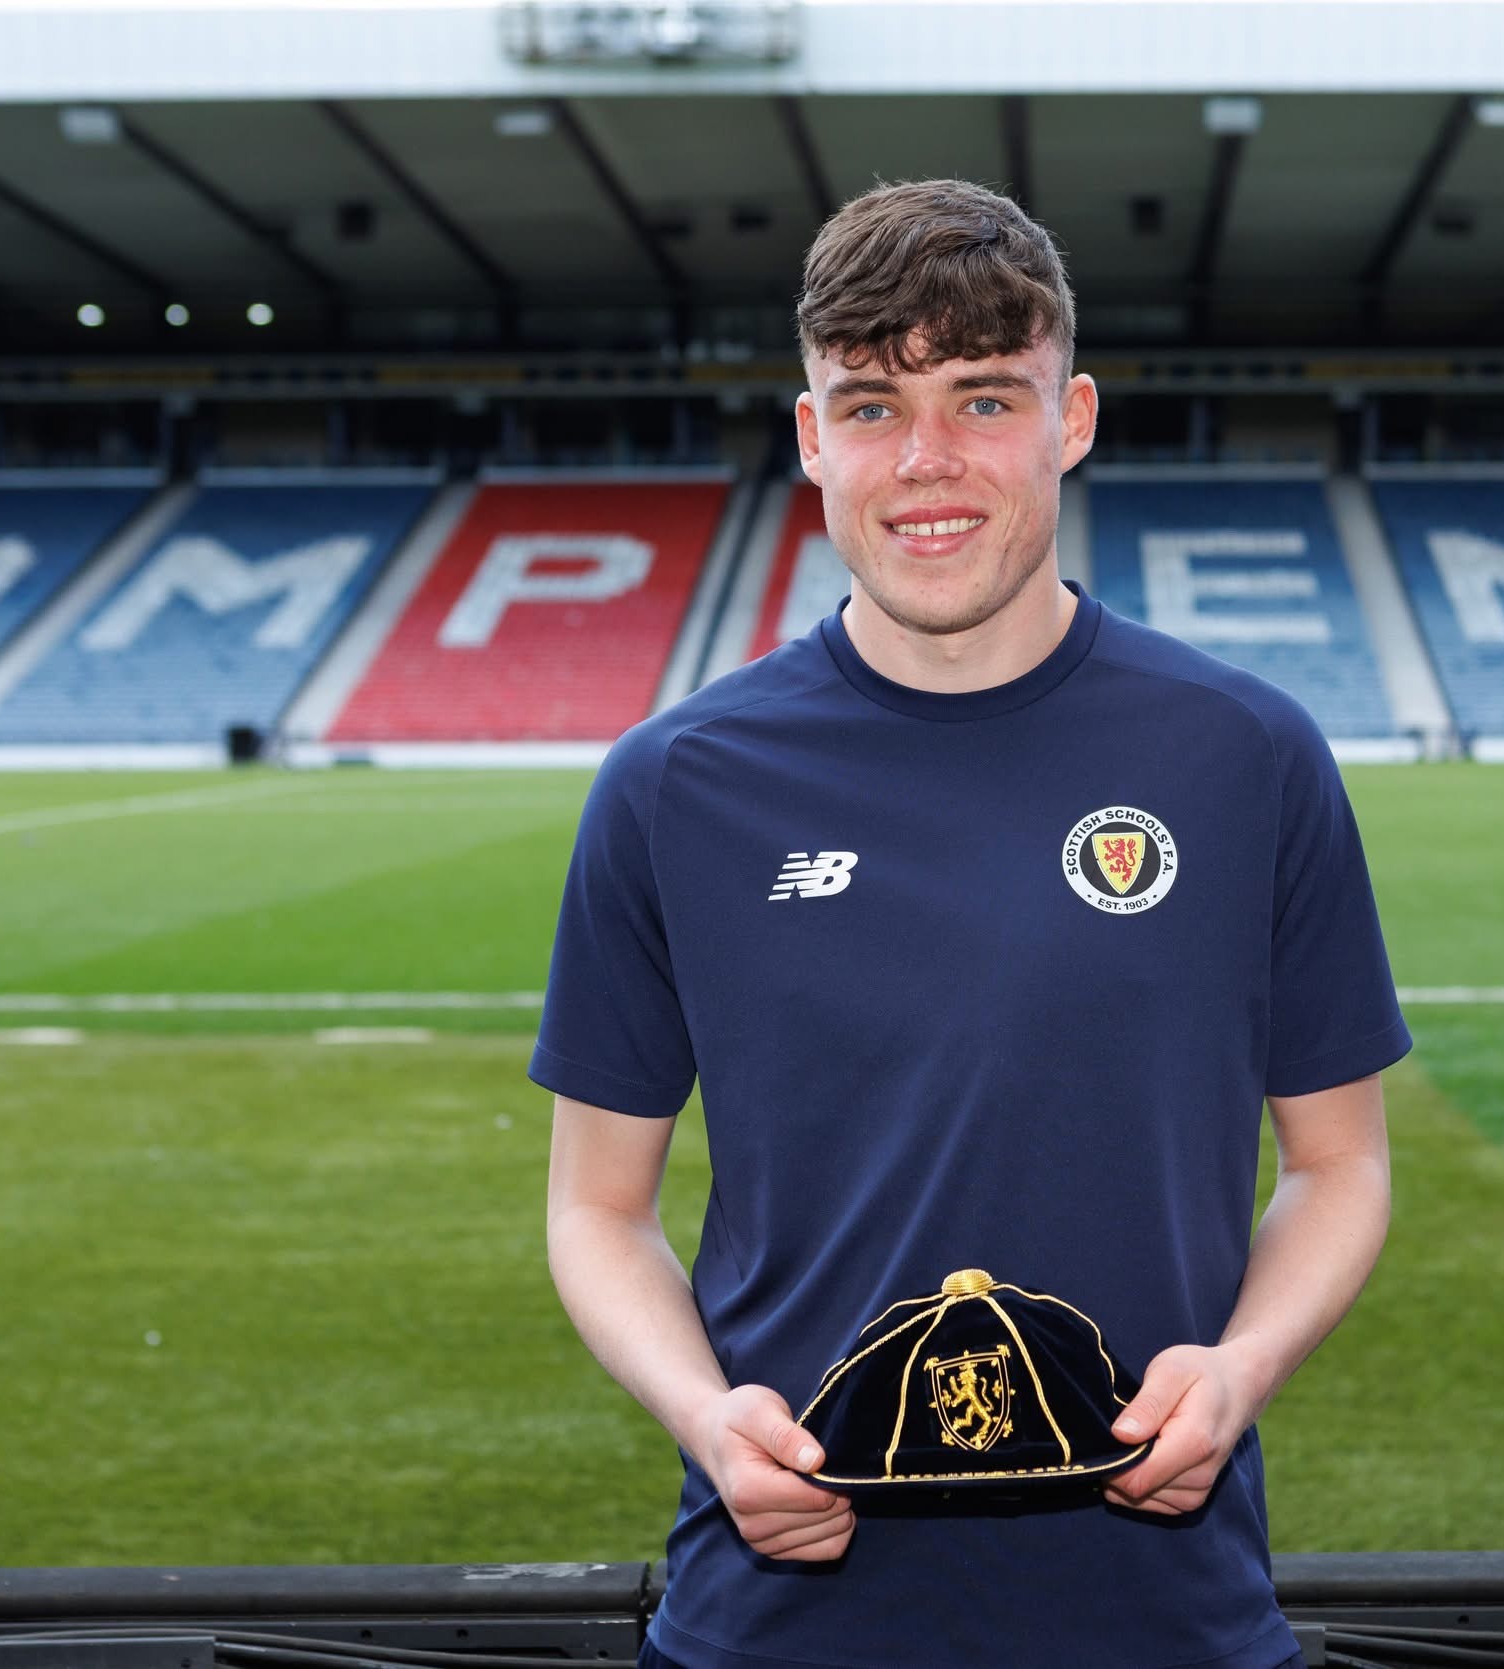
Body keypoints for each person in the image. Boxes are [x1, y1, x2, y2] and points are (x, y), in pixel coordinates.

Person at [533, 178, 1409, 1669]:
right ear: (811, 440)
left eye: (983, 399)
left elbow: (1341, 1163)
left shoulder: (1245, 754)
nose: (926, 462)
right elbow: (596, 1207)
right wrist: (705, 1412)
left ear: (1071, 417)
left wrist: (1242, 1367)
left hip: (1166, 1615)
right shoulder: (674, 784)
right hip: (774, 1621)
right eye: (871, 407)